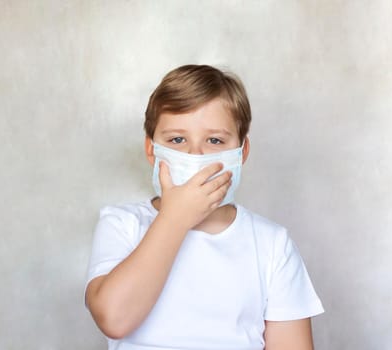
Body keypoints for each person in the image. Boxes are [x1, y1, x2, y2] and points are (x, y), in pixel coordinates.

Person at [85, 64, 324, 350]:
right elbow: (114, 318)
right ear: (152, 150)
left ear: (241, 151)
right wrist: (175, 218)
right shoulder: (122, 224)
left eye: (214, 140)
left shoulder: (272, 245)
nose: (195, 154)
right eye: (177, 140)